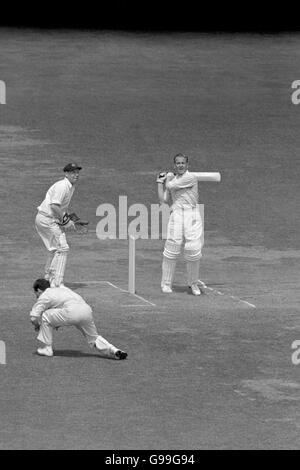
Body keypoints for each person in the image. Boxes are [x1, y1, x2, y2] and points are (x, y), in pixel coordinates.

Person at [30, 278, 128, 360]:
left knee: (45, 315)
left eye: (36, 293)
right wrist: (55, 323)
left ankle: (47, 348)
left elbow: (33, 317)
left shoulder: (44, 295)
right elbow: (60, 307)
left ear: (38, 290)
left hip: (72, 312)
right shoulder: (62, 289)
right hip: (86, 310)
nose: (36, 296)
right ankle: (114, 350)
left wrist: (38, 326)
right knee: (93, 338)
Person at [157, 153, 204, 296]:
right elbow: (164, 199)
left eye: (183, 163)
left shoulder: (191, 177)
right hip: (177, 213)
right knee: (172, 247)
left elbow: (171, 185)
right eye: (178, 163)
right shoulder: (173, 180)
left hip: (192, 214)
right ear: (174, 165)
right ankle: (165, 283)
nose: (181, 165)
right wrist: (159, 183)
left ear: (187, 165)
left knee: (193, 250)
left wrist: (167, 179)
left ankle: (193, 284)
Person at [35, 163, 82, 287]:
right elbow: (54, 206)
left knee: (55, 249)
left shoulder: (70, 187)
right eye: (73, 172)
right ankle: (56, 283)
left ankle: (47, 280)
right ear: (66, 174)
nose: (76, 175)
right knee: (63, 248)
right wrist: (66, 221)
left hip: (45, 218)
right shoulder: (63, 186)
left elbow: (59, 208)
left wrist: (70, 218)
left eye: (77, 172)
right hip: (47, 219)